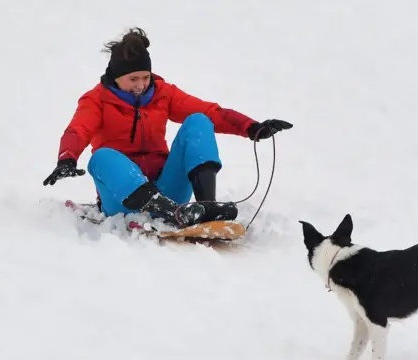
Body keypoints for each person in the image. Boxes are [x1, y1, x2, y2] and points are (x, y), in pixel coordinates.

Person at [43, 27, 292, 228]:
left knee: (198, 121)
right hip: (123, 200)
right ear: (116, 77)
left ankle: (205, 206)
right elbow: (78, 130)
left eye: (145, 77)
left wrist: (251, 128)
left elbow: (210, 112)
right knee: (101, 158)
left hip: (169, 191)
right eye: (133, 79)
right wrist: (67, 158)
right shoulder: (96, 100)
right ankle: (174, 214)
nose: (141, 85)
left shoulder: (163, 94)